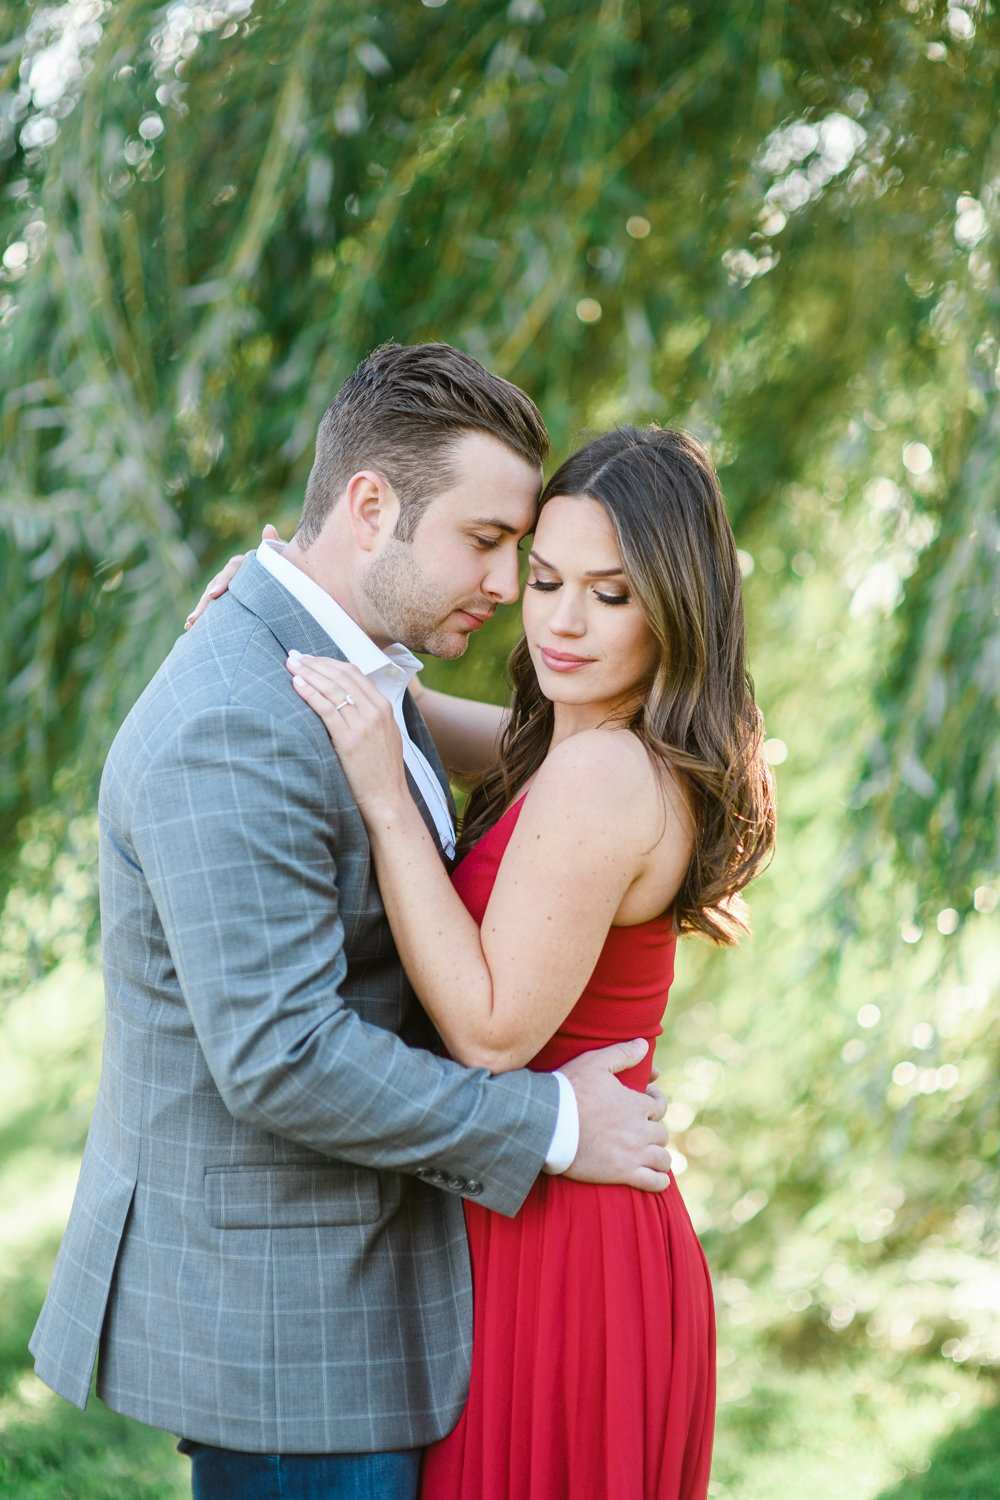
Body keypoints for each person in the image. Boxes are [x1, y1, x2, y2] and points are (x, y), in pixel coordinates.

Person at [28, 345, 672, 1500]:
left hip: (383, 1297)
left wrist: (279, 594)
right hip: (296, 1337)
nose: (508, 586)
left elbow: (522, 771)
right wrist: (551, 1124)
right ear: (370, 507)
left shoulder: (356, 671)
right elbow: (281, 1058)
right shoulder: (238, 720)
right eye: (487, 544)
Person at [284, 425, 776, 1500]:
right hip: (553, 1208)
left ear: (675, 606)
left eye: (609, 594)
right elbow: (433, 717)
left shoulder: (602, 775)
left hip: (564, 1244)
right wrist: (287, 610)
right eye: (545, 579)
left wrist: (381, 796)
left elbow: (491, 1030)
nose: (560, 619)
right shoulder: (591, 737)